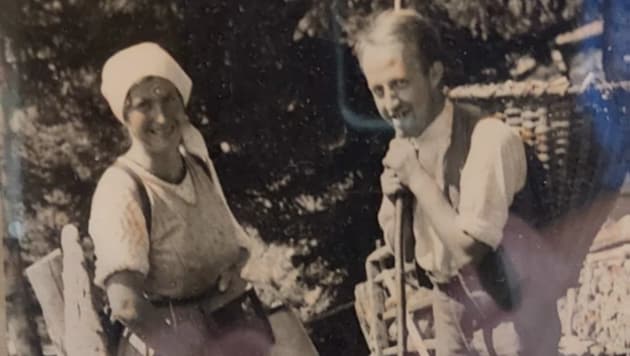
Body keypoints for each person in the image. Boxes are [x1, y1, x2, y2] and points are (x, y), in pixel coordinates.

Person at [354, 9, 560, 356]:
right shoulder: (405, 150)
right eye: (378, 90)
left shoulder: (489, 138)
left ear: (434, 74)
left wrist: (416, 178)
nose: (390, 104)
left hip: (513, 313)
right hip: (449, 310)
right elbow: (401, 248)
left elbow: (469, 247)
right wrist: (393, 198)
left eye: (400, 83)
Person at [91, 42, 318, 356]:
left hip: (225, 317)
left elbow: (231, 239)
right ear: (124, 115)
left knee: (290, 337)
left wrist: (232, 268)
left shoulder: (195, 161)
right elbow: (127, 304)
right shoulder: (121, 188)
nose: (161, 116)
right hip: (167, 338)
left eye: (167, 98)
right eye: (144, 105)